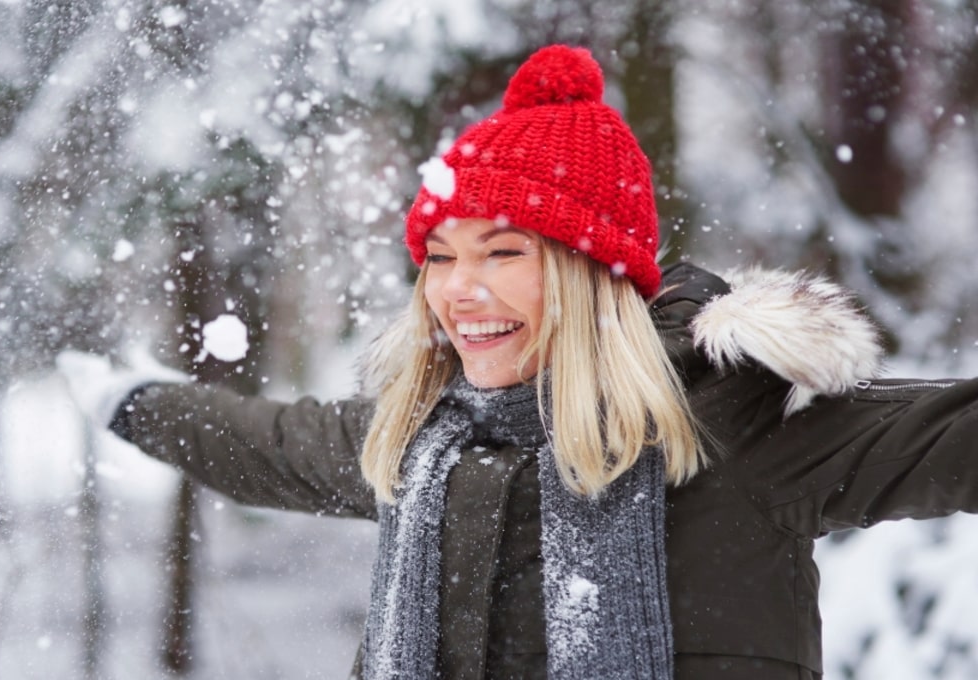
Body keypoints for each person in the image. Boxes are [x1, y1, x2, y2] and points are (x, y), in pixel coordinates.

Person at [58, 45, 978, 679]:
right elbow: (266, 444)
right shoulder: (423, 446)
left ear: (591, 277)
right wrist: (127, 399)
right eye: (441, 257)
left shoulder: (735, 428)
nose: (459, 292)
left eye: (504, 253)